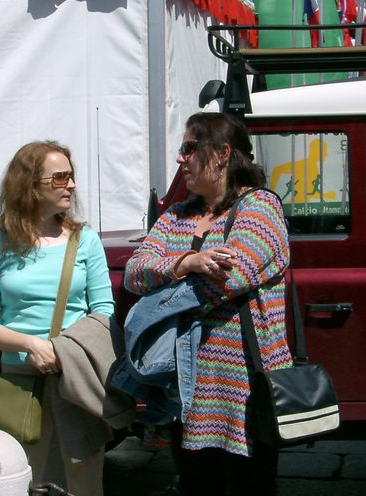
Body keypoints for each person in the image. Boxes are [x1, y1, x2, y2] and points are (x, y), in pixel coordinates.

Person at [123, 112, 292, 496]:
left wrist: (157, 295)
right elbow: (134, 273)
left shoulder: (259, 208)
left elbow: (228, 278)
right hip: (183, 392)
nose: (180, 158)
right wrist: (186, 262)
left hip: (244, 391)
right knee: (197, 487)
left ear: (222, 153)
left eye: (189, 148)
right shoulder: (177, 215)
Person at [0, 141, 115, 496]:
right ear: (30, 185)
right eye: (60, 177)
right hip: (19, 379)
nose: (71, 185)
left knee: (85, 475)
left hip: (76, 375)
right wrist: (31, 345)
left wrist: (63, 349)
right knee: (19, 475)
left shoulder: (85, 240)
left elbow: (103, 311)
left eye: (71, 176)